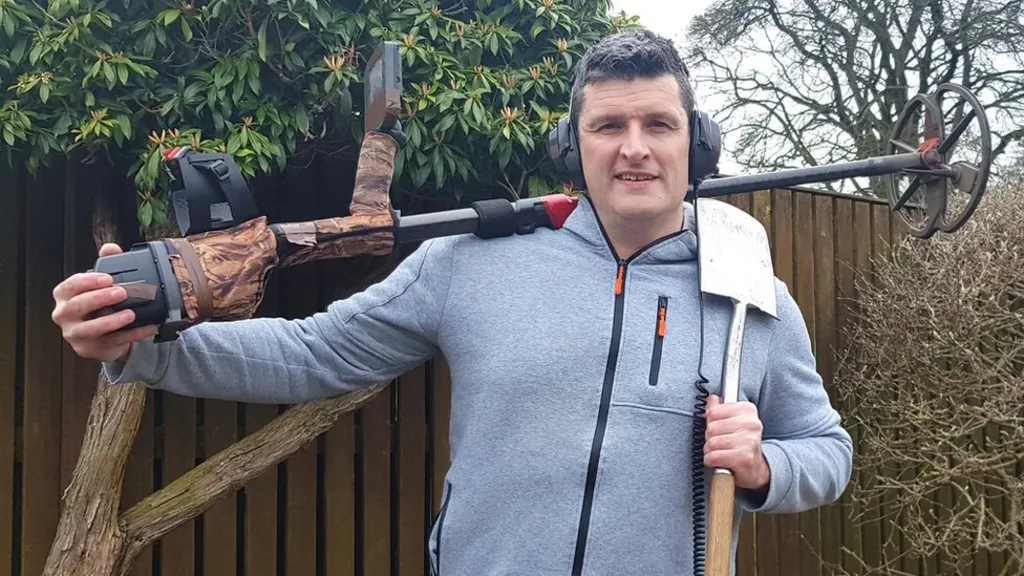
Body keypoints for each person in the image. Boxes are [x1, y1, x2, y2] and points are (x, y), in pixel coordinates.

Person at [52, 27, 852, 576]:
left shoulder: (751, 297)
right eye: (609, 125)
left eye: (658, 124)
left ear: (694, 144)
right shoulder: (471, 264)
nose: (635, 147)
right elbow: (312, 352)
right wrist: (142, 348)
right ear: (574, 146)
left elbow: (826, 450)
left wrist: (761, 467)